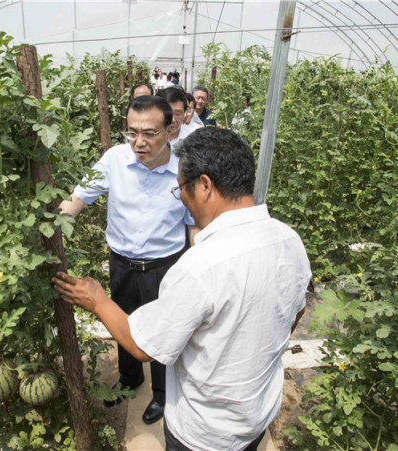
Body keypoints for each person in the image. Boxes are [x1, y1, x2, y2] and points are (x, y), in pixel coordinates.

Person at [53, 126, 311, 450]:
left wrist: (97, 300)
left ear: (204, 185)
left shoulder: (200, 266)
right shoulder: (288, 239)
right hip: (258, 415)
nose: (183, 201)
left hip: (203, 433)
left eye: (180, 189)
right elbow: (295, 311)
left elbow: (143, 346)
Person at [58, 95, 198, 425]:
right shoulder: (114, 160)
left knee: (165, 333)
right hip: (122, 263)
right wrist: (51, 226)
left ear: (171, 129)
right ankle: (129, 377)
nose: (139, 142)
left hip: (165, 266)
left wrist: (197, 268)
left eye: (149, 133)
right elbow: (78, 199)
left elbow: (194, 225)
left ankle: (162, 393)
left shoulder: (184, 170)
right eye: (132, 132)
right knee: (122, 320)